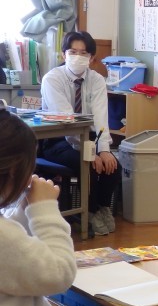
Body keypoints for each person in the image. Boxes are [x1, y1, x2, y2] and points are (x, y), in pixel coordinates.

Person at [0, 109, 158, 306]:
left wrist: (25, 210)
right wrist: (45, 210)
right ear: (14, 171)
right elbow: (59, 275)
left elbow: (15, 255)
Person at [40, 31, 121, 236]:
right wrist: (90, 153)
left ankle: (100, 208)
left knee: (114, 166)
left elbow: (101, 116)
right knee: (88, 165)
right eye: (73, 52)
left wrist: (104, 150)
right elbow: (68, 120)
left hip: (88, 136)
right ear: (63, 54)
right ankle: (90, 213)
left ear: (92, 58)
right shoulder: (52, 79)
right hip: (58, 139)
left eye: (84, 53)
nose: (78, 56)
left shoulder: (97, 80)